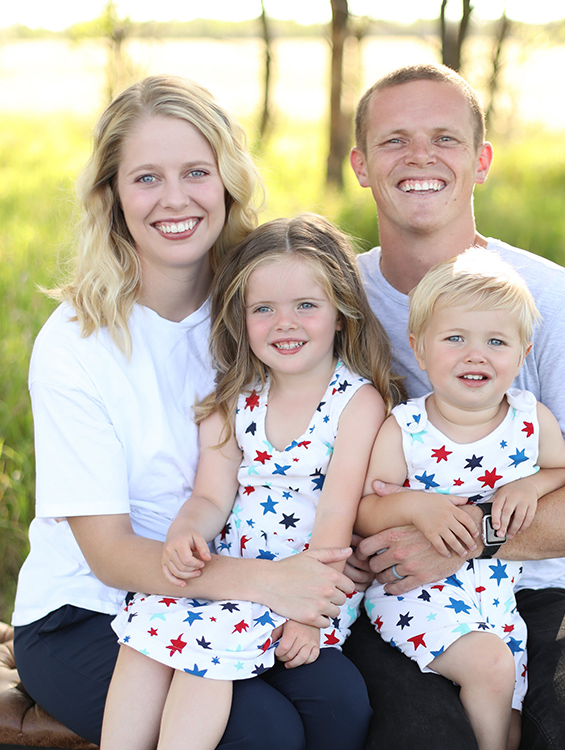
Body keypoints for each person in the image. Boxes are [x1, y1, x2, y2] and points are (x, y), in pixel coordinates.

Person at [11, 77, 359, 750]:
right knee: (263, 733)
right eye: (147, 178)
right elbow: (109, 555)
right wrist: (275, 583)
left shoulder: (260, 312)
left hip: (224, 592)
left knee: (339, 703)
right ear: (111, 196)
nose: (175, 199)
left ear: (227, 182)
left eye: (196, 172)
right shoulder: (76, 343)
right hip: (88, 609)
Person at [342, 63, 565, 749]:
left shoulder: (550, 297)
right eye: (395, 140)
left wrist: (468, 540)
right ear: (360, 165)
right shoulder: (333, 304)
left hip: (531, 588)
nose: (421, 156)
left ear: (481, 161)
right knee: (420, 739)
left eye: (445, 139)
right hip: (392, 598)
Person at [101, 213, 403, 750]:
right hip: (231, 575)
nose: (284, 323)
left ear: (341, 315)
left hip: (308, 587)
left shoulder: (355, 403)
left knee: (205, 659)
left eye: (306, 305)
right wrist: (186, 532)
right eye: (263, 309)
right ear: (241, 319)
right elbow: (211, 494)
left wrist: (310, 613)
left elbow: (338, 514)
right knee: (143, 633)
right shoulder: (236, 399)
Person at [356, 248, 565, 750]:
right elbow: (366, 509)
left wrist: (530, 485)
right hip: (414, 596)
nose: (474, 354)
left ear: (523, 354)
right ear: (418, 349)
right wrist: (415, 506)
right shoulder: (406, 428)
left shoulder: (529, 420)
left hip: (499, 601)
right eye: (454, 338)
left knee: (510, 710)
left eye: (496, 341)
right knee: (490, 668)